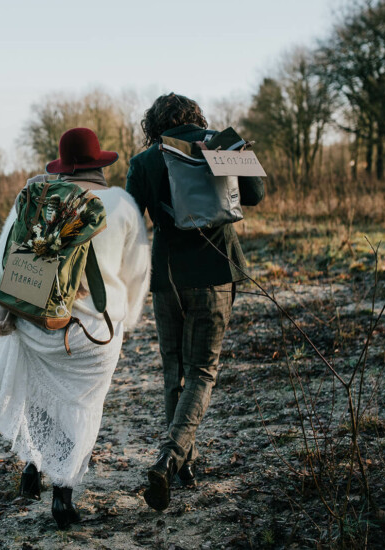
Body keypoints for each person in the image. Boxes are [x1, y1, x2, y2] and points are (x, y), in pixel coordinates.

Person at [0, 127, 150, 528]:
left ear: (62, 166)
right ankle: (63, 494)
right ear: (99, 163)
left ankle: (33, 467)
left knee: (39, 397)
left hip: (36, 325)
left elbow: (2, 267)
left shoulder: (37, 201)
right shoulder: (122, 205)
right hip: (91, 335)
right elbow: (137, 275)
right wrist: (130, 317)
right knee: (83, 405)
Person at [125, 93, 265, 511]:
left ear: (154, 123)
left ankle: (185, 462)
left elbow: (132, 221)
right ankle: (171, 458)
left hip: (167, 275)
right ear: (195, 116)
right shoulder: (218, 144)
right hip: (216, 270)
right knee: (203, 371)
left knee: (175, 369)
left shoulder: (145, 160)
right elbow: (255, 194)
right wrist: (230, 150)